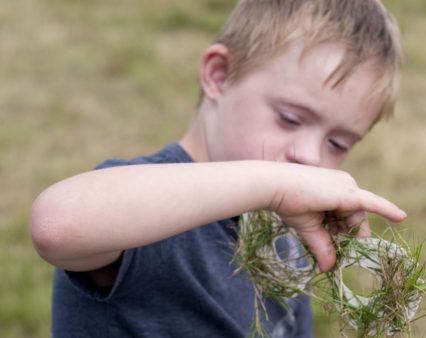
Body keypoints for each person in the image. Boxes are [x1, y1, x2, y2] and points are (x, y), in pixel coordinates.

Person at [29, 0, 406, 337]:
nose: (309, 157)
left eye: (338, 144)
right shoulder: (146, 209)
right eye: (290, 119)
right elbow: (56, 225)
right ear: (219, 75)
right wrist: (273, 184)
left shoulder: (287, 231)